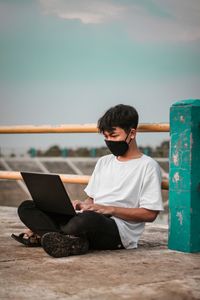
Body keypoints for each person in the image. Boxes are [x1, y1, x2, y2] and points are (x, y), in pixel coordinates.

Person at [11, 104, 163, 257]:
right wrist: (80, 205)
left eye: (114, 135)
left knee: (85, 221)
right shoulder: (104, 162)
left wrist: (110, 209)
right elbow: (91, 199)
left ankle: (45, 233)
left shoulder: (148, 166)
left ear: (132, 133)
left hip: (117, 229)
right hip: (88, 218)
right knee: (27, 207)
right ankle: (68, 239)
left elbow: (149, 214)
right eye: (106, 136)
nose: (109, 140)